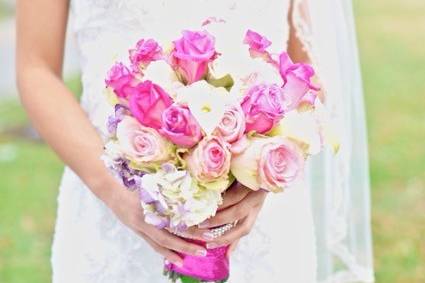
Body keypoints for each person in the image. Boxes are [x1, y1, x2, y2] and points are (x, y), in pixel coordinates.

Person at [16, 0, 374, 282]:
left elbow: (307, 69)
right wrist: (114, 190)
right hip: (109, 212)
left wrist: (264, 169)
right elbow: (35, 68)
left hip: (260, 223)